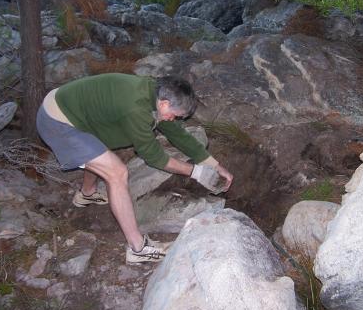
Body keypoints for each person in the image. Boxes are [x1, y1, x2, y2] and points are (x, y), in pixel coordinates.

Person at [36, 73, 233, 263]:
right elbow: (154, 156)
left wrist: (215, 166)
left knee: (100, 153)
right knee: (117, 172)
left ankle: (87, 193)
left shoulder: (153, 94)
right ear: (164, 104)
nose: (173, 120)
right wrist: (197, 172)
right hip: (57, 121)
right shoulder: (136, 109)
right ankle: (138, 248)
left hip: (70, 109)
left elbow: (178, 134)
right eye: (174, 115)